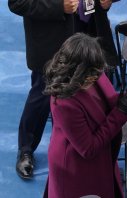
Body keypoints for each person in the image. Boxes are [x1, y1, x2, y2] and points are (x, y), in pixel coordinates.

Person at [8, 0, 119, 179]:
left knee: (93, 96)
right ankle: (26, 149)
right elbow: (18, 3)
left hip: (91, 34)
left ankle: (93, 152)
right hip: (51, 40)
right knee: (42, 96)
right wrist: (59, 7)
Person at [43, 33, 127, 198]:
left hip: (101, 159)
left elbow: (107, 103)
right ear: (76, 70)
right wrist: (122, 111)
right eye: (91, 75)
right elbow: (88, 148)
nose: (96, 78)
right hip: (76, 171)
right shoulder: (63, 101)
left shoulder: (92, 72)